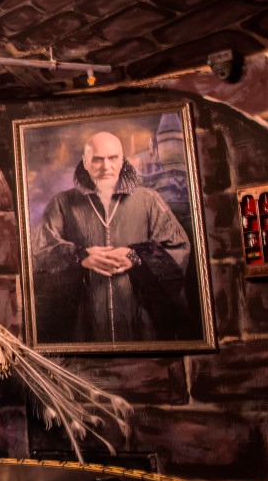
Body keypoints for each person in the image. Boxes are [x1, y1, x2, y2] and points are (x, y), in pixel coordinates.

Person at [31, 131, 191, 344]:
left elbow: (178, 247)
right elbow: (39, 253)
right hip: (84, 327)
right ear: (85, 162)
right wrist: (79, 256)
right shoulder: (62, 203)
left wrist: (136, 256)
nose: (106, 166)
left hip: (141, 325)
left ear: (122, 160)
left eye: (113, 158)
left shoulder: (149, 200)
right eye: (98, 159)